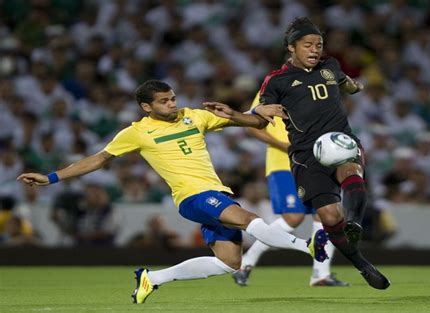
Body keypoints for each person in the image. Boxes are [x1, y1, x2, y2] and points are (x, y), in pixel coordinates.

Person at [17, 80, 327, 304]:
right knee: (249, 219)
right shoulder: (136, 132)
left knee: (229, 262)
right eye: (165, 101)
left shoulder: (195, 116)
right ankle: (308, 247)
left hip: (215, 192)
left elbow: (248, 122)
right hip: (192, 197)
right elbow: (98, 159)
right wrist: (51, 177)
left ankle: (153, 278)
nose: (172, 104)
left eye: (173, 98)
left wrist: (250, 111)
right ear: (146, 106)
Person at [248, 17, 390, 289]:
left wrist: (354, 86)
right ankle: (362, 264)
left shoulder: (330, 66)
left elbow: (347, 83)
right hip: (305, 155)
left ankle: (356, 225)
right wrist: (254, 112)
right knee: (328, 216)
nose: (315, 50)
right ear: (292, 47)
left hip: (340, 139)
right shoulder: (276, 81)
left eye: (319, 45)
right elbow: (261, 117)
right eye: (308, 45)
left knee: (351, 170)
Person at [232, 93, 349, 287]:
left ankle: (321, 274)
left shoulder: (318, 89)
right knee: (293, 216)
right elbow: (251, 126)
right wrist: (286, 146)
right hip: (283, 164)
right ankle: (246, 262)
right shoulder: (270, 90)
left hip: (316, 163)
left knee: (326, 215)